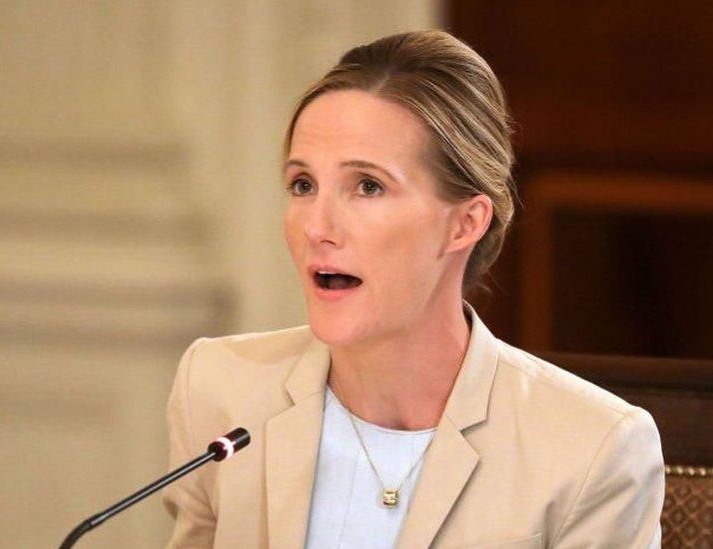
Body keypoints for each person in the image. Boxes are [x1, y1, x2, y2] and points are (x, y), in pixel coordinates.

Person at [161, 30, 664, 548]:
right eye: (303, 185)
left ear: (464, 224)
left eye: (368, 186)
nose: (317, 226)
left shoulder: (591, 449)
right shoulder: (221, 390)